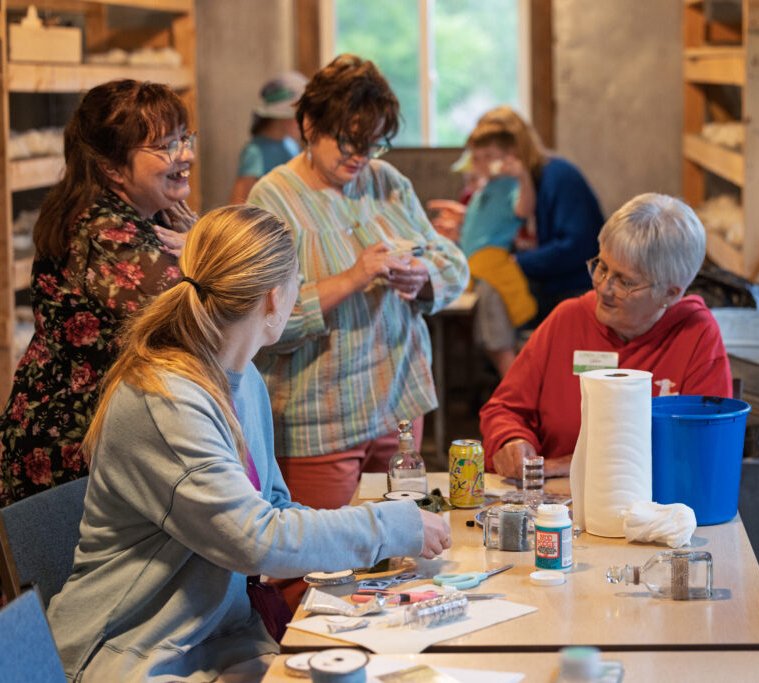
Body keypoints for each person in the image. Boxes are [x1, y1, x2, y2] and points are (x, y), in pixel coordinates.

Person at [45, 205, 451, 681]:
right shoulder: (165, 397)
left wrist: (375, 541)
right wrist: (387, 525)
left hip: (217, 639)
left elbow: (274, 507)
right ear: (275, 300)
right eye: (300, 281)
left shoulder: (243, 379)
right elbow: (252, 539)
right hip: (138, 652)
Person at [247, 54, 468, 605]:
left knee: (403, 560)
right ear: (309, 127)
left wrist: (422, 278)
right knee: (317, 574)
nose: (361, 157)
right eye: (348, 142)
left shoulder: (386, 182)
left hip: (398, 406)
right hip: (321, 419)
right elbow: (264, 322)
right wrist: (354, 276)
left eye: (373, 143)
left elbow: (453, 265)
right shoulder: (273, 198)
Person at [0, 79, 197, 609]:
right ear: (111, 166)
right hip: (68, 445)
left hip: (86, 433)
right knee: (67, 612)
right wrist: (205, 253)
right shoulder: (105, 232)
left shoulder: (146, 218)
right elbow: (205, 319)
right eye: (166, 145)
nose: (186, 155)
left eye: (185, 137)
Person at [480, 193, 732, 479]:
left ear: (670, 293)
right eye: (601, 266)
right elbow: (504, 409)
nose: (604, 287)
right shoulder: (568, 319)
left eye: (625, 281)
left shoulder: (696, 335)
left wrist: (573, 465)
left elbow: (702, 450)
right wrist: (512, 440)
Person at [430, 105, 604, 329]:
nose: (481, 163)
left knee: (489, 291)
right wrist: (468, 227)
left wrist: (517, 262)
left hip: (566, 288)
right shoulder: (501, 186)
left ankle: (505, 361)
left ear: (512, 149)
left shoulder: (558, 176)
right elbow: (510, 233)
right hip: (535, 282)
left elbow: (578, 246)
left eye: (489, 153)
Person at [457, 120, 539, 377]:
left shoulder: (510, 186)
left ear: (509, 155)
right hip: (480, 274)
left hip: (493, 277)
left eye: (489, 157)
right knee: (491, 344)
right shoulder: (484, 189)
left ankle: (517, 399)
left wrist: (522, 175)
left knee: (500, 345)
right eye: (476, 158)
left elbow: (524, 209)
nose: (481, 163)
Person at [228, 71, 308, 204]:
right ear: (282, 116)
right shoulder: (255, 152)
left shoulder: (291, 146)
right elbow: (239, 204)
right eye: (299, 116)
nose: (305, 123)